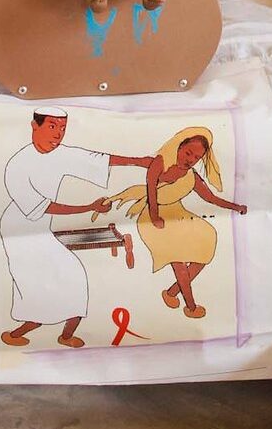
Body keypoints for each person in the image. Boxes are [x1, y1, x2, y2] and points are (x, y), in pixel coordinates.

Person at [0, 111, 158, 348]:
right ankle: (20, 332)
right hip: (17, 231)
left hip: (41, 229)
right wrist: (89, 207)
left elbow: (97, 158)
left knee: (73, 277)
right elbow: (44, 207)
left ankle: (65, 335)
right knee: (35, 286)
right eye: (52, 127)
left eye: (62, 128)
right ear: (34, 126)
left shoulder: (60, 154)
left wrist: (140, 161)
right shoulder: (17, 166)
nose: (58, 134)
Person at [105, 127, 248, 319]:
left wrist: (236, 207)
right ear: (179, 147)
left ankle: (172, 292)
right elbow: (150, 188)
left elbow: (211, 198)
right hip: (153, 218)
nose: (190, 159)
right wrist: (155, 216)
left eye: (196, 157)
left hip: (178, 215)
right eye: (188, 153)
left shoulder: (192, 176)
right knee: (178, 260)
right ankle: (191, 306)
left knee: (206, 244)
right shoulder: (160, 162)